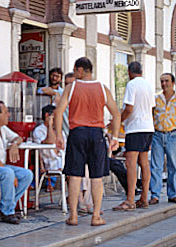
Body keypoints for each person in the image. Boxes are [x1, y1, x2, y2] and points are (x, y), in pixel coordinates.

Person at [55, 57, 121, 226]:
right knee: (96, 177)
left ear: (80, 70)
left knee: (75, 176)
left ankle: (74, 216)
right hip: (96, 135)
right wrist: (114, 136)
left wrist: (59, 137)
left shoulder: (71, 87)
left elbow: (58, 112)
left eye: (75, 70)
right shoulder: (102, 88)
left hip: (77, 133)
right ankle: (96, 216)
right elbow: (116, 114)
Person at [112, 61, 155, 211]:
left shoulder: (132, 85)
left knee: (130, 163)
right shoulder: (148, 85)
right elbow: (152, 108)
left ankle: (130, 200)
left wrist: (118, 121)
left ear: (129, 72)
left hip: (135, 128)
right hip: (148, 127)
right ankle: (144, 198)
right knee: (144, 162)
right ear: (141, 71)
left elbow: (129, 108)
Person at [149, 73, 176, 206]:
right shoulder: (156, 98)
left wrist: (175, 130)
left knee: (173, 165)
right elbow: (151, 116)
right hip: (157, 135)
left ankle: (172, 194)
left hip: (173, 135)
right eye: (161, 81)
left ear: (173, 83)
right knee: (156, 166)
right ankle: (155, 195)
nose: (164, 84)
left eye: (166, 81)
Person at [33, 105, 66, 191]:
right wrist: (50, 126)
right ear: (47, 115)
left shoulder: (60, 131)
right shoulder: (39, 130)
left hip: (62, 161)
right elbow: (50, 141)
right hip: (49, 164)